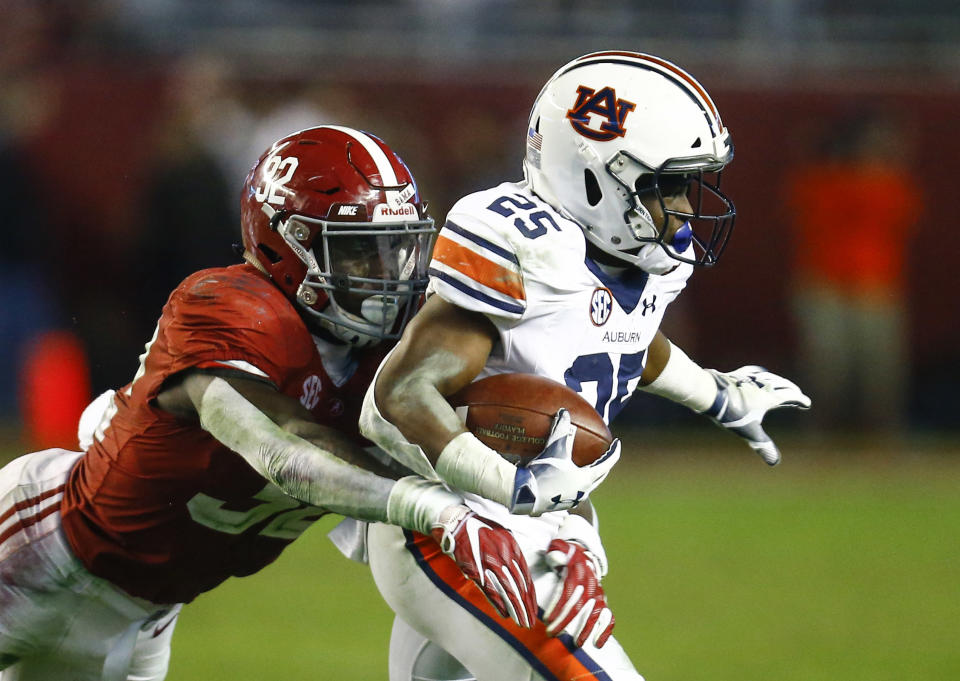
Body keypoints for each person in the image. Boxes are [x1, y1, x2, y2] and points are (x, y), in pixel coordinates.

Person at [0, 126, 543, 681]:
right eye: (360, 252)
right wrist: (439, 509)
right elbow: (285, 450)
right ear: (286, 245)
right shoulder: (232, 307)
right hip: (40, 553)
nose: (389, 276)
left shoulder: (392, 357)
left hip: (147, 613)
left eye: (396, 248)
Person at [358, 51, 812, 681]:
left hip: (543, 529)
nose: (684, 208)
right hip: (459, 527)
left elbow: (625, 338)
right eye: (665, 186)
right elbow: (398, 399)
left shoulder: (646, 258)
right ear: (596, 178)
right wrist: (510, 486)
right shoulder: (526, 245)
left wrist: (716, 396)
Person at [784, 111, 920, 434]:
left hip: (876, 286)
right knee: (827, 366)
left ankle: (881, 436)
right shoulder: (820, 181)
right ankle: (821, 433)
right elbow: (802, 205)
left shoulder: (893, 184)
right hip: (823, 284)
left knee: (880, 369)